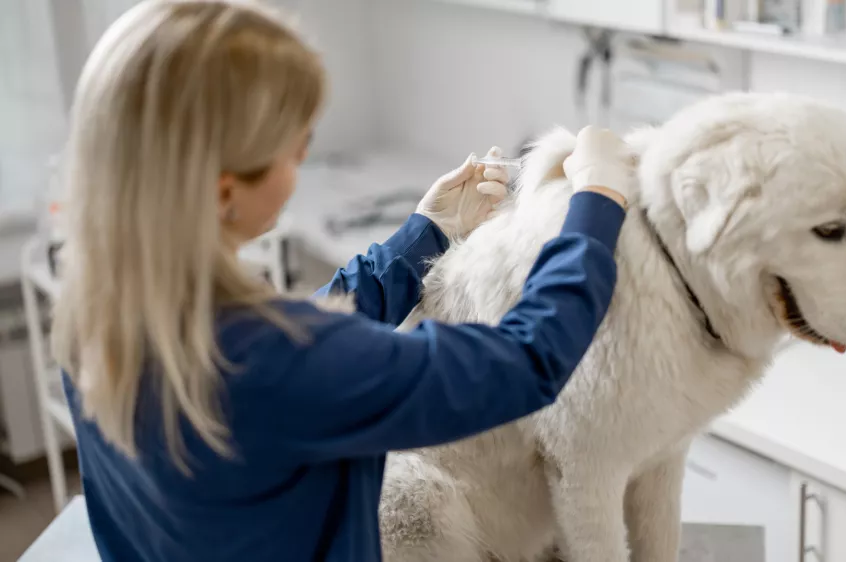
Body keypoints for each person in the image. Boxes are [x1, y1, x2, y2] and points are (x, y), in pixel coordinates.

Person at [52, 1, 636, 561]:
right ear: (225, 192)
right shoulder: (277, 365)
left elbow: (293, 337)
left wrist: (424, 234)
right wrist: (594, 209)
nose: (304, 155)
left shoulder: (100, 310)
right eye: (296, 148)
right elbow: (525, 363)